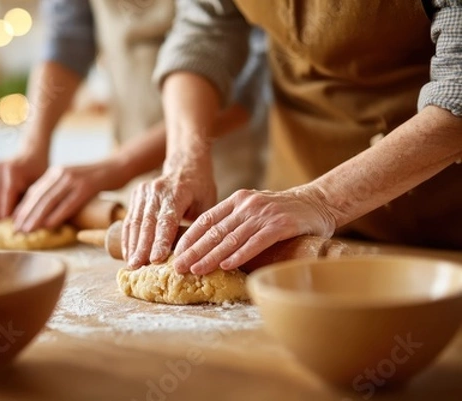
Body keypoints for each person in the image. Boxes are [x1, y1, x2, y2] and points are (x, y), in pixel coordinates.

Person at [121, 0, 462, 274]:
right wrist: (185, 159)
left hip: (440, 216)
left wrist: (321, 202)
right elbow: (203, 31)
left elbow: (456, 95)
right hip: (294, 211)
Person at [0, 0, 270, 234]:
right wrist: (32, 149)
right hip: (135, 177)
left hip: (234, 172)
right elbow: (68, 36)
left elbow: (249, 89)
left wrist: (123, 164)